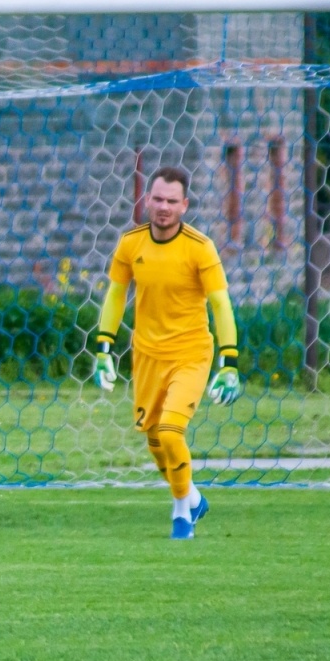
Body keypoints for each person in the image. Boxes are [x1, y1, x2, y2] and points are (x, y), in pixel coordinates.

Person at [93, 166, 241, 539]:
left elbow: (220, 304)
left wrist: (229, 362)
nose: (163, 207)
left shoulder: (199, 247)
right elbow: (116, 294)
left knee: (171, 432)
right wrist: (103, 349)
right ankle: (193, 497)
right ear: (147, 200)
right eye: (158, 199)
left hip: (191, 354)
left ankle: (181, 513)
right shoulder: (131, 244)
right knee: (155, 440)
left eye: (172, 201)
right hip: (146, 355)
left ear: (184, 205)